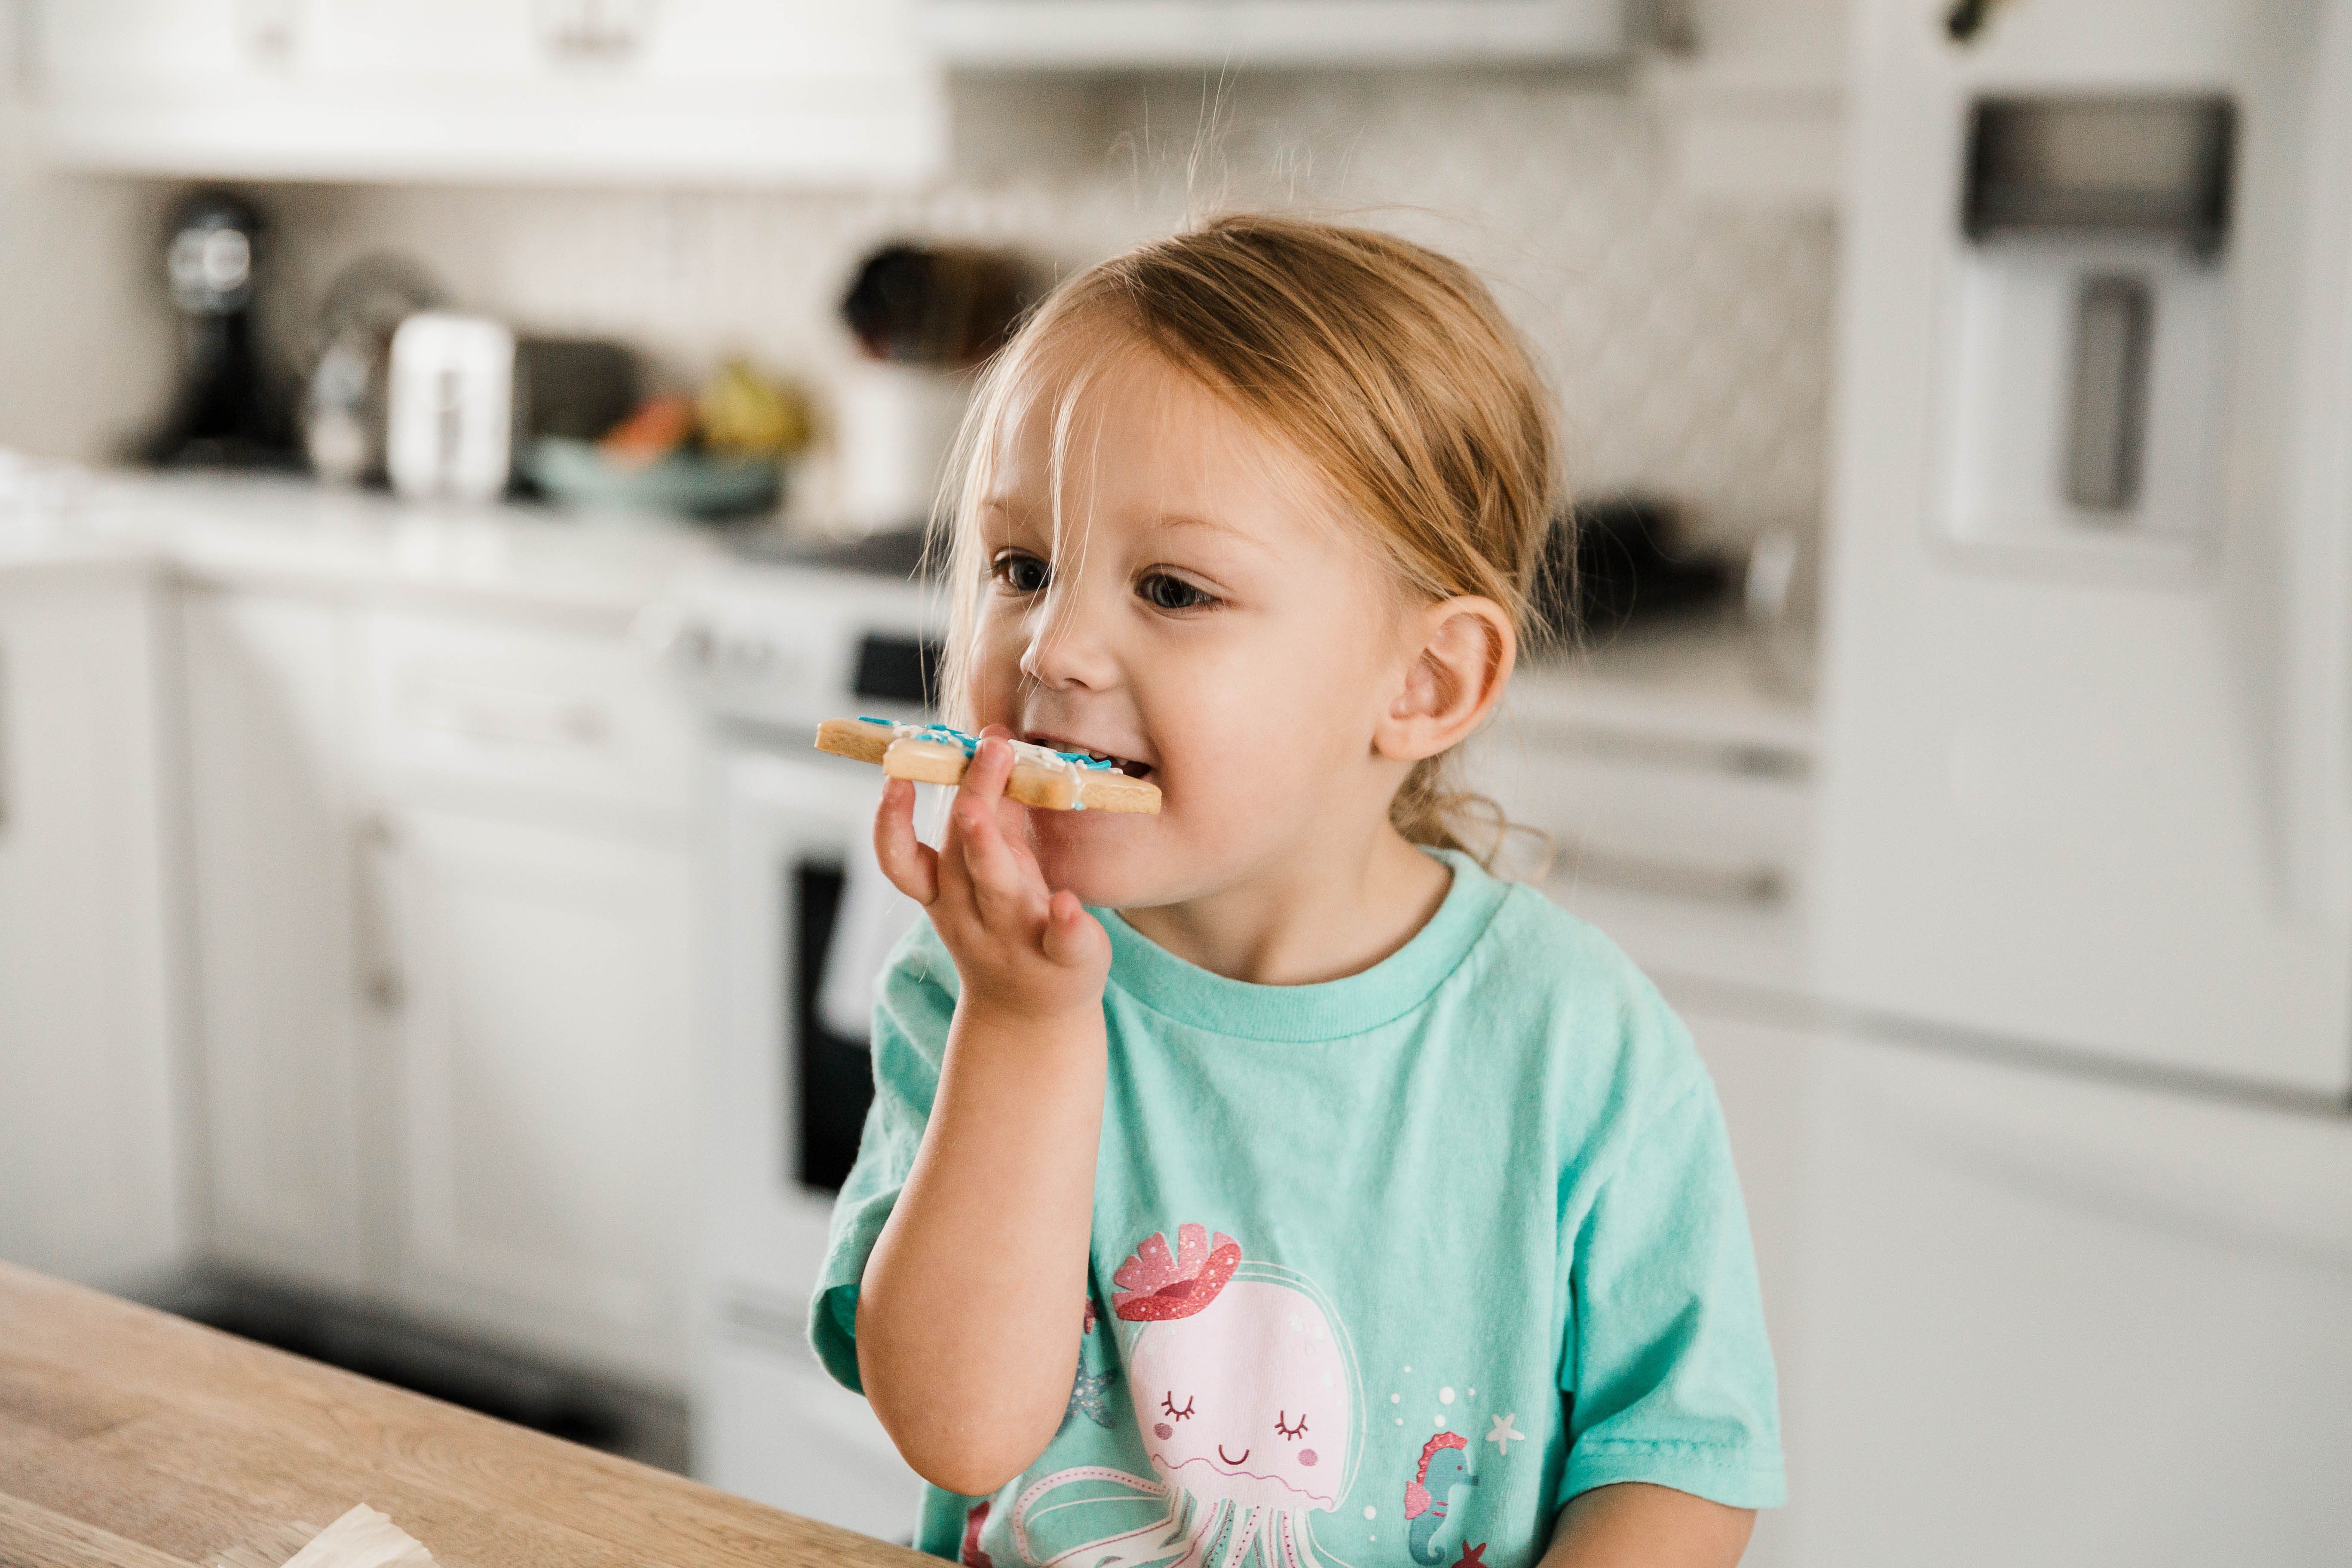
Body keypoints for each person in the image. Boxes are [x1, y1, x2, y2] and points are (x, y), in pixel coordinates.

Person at [808, 214, 1783, 1568]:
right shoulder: (972, 992)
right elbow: (960, 1435)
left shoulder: (1577, 1045)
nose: (1055, 646)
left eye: (1173, 588)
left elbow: (1679, 1460)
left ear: (1423, 684)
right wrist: (1023, 1031)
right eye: (1021, 567)